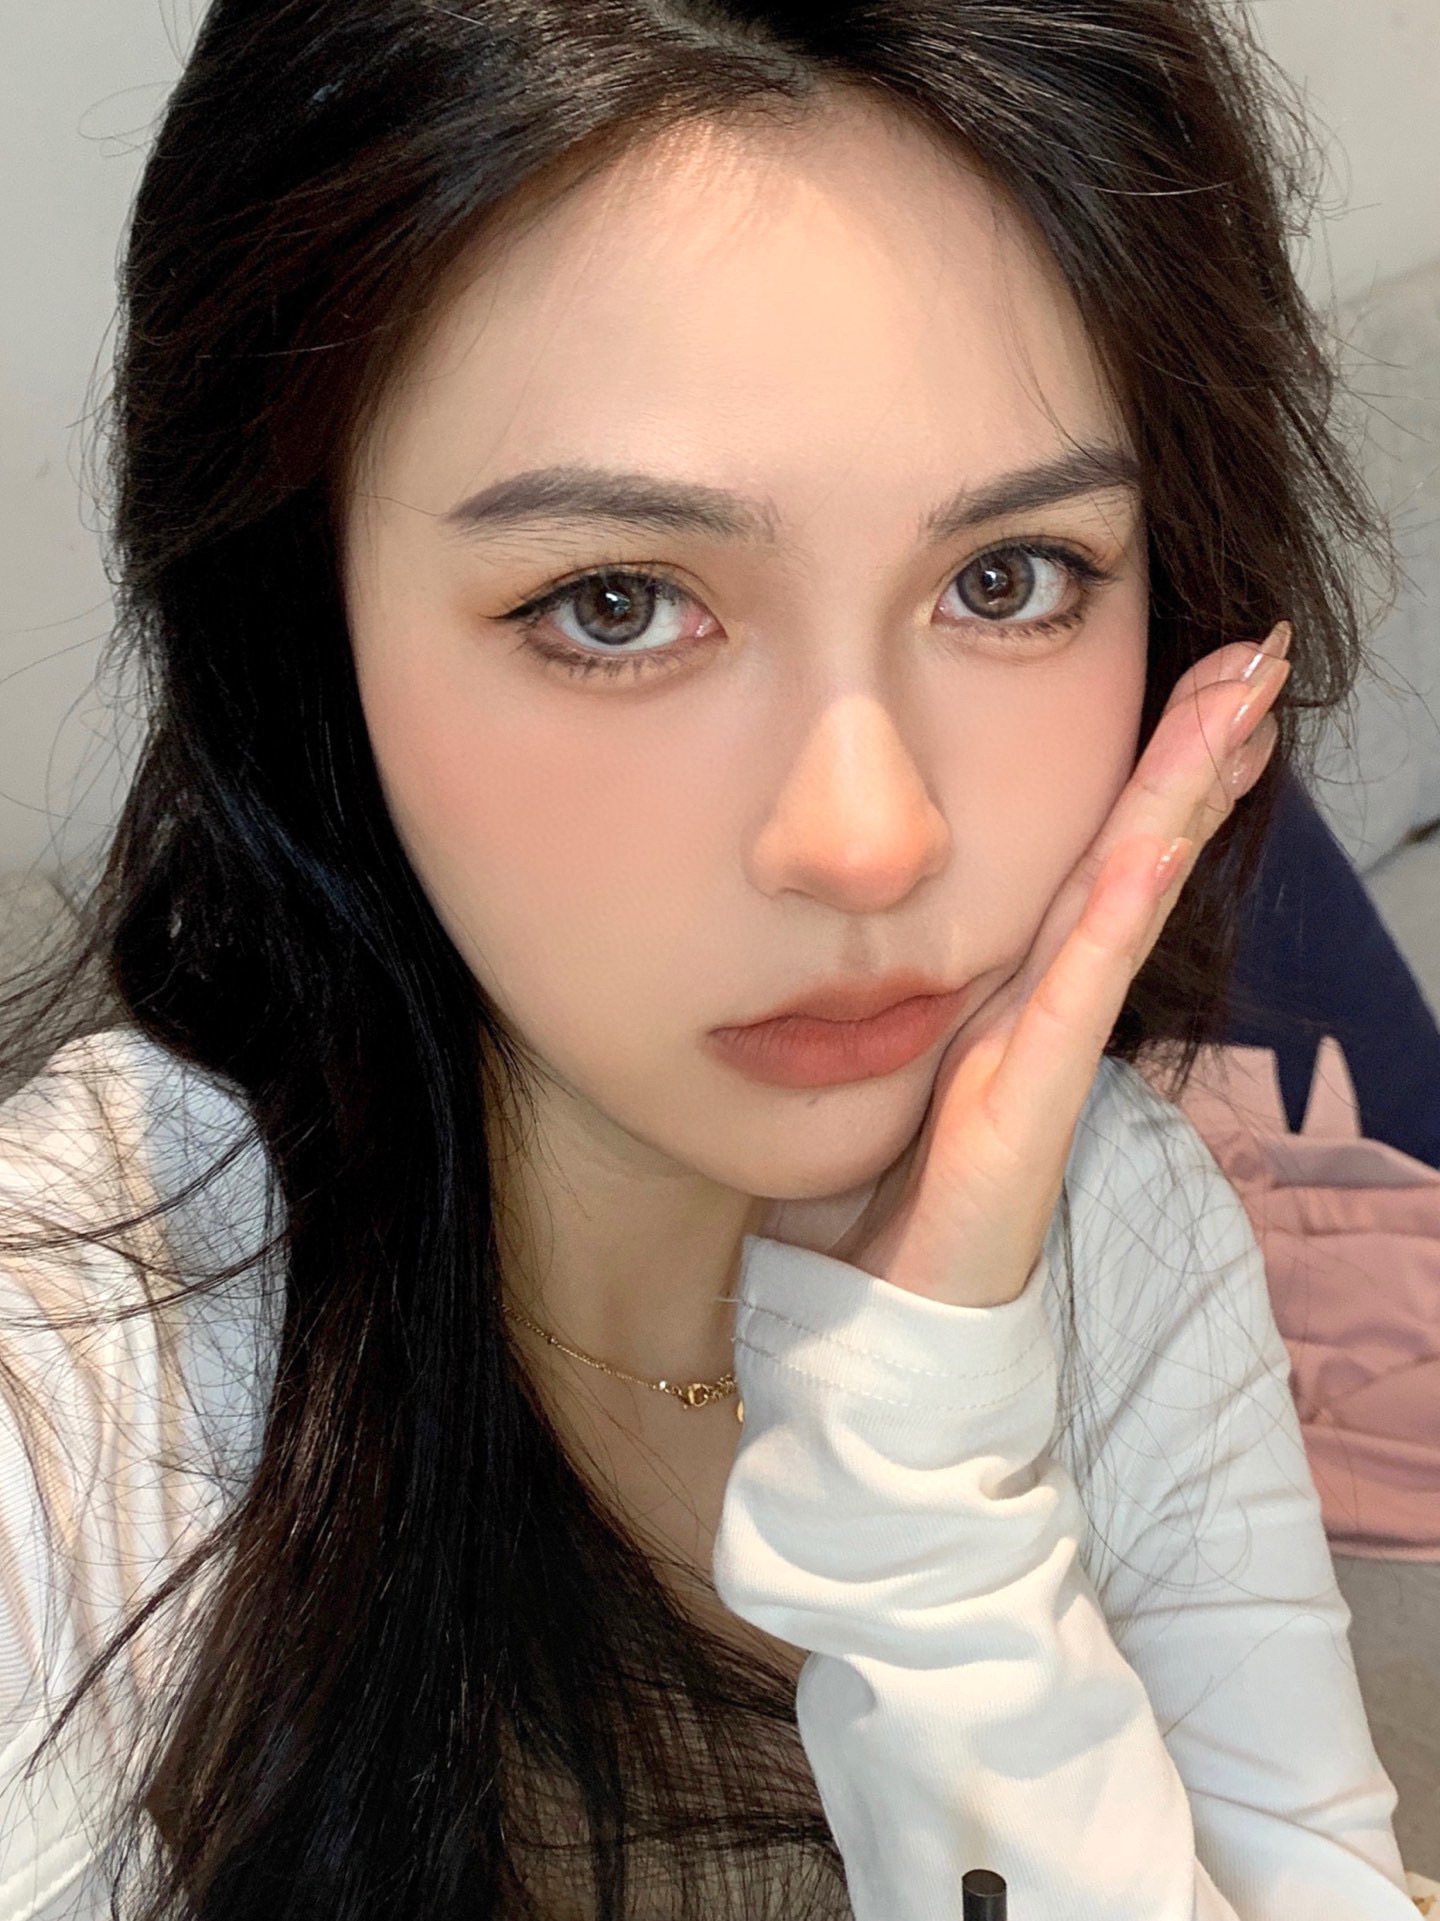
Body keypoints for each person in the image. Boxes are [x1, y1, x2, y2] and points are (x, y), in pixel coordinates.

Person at [0, 2, 1424, 1917]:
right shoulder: (70, 1401)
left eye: (1009, 578)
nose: (872, 835)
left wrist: (931, 1491)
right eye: (616, 602)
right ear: (303, 620)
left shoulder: (1120, 1224)